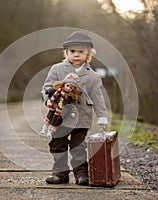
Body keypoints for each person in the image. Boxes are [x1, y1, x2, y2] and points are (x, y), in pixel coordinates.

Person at [42, 31, 108, 186]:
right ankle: (60, 172)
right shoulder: (57, 69)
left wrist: (102, 117)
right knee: (58, 144)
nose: (76, 55)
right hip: (60, 116)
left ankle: (81, 174)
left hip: (82, 117)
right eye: (72, 51)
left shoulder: (93, 76)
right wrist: (49, 101)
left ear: (88, 54)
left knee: (79, 147)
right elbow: (47, 87)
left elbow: (98, 98)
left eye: (81, 51)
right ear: (66, 53)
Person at [40, 73, 79, 137]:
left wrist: (73, 112)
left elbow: (72, 104)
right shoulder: (58, 90)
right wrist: (46, 92)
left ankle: (50, 131)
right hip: (54, 106)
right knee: (49, 116)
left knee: (55, 120)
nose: (68, 89)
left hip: (61, 110)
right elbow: (51, 91)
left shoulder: (70, 96)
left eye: (71, 88)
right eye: (67, 86)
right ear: (64, 84)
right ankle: (45, 127)